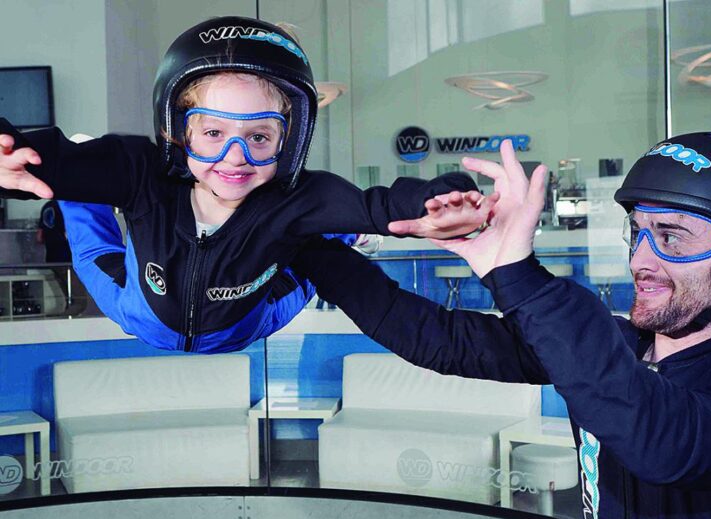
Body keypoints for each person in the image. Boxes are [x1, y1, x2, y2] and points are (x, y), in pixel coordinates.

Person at [292, 133, 711, 519]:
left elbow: (659, 436)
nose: (640, 260)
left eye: (673, 239)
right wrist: (302, 243)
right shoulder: (621, 348)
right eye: (638, 232)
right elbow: (441, 340)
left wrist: (517, 273)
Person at [0, 16, 492, 353]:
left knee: (324, 235)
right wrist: (17, 153)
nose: (234, 158)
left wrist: (443, 200)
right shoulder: (143, 171)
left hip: (249, 322)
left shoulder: (297, 197)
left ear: (289, 138)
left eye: (258, 136)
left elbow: (383, 201)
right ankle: (79, 179)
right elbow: (39, 156)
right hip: (138, 310)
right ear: (178, 132)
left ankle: (339, 233)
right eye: (213, 133)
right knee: (79, 198)